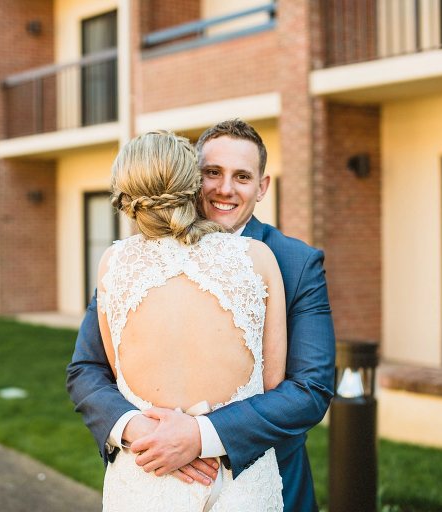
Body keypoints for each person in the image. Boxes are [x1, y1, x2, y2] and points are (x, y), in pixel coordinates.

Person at [67, 119, 335, 512]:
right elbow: (87, 369)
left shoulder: (294, 261)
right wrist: (138, 430)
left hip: (263, 480)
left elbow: (310, 388)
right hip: (152, 473)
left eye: (242, 176)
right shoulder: (130, 262)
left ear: (262, 188)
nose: (225, 189)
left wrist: (200, 436)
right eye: (213, 173)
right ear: (193, 178)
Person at [95, 130, 286, 511]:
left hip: (147, 474)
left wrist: (180, 434)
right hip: (237, 481)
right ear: (193, 184)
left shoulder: (113, 264)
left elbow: (118, 372)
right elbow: (272, 382)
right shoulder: (258, 258)